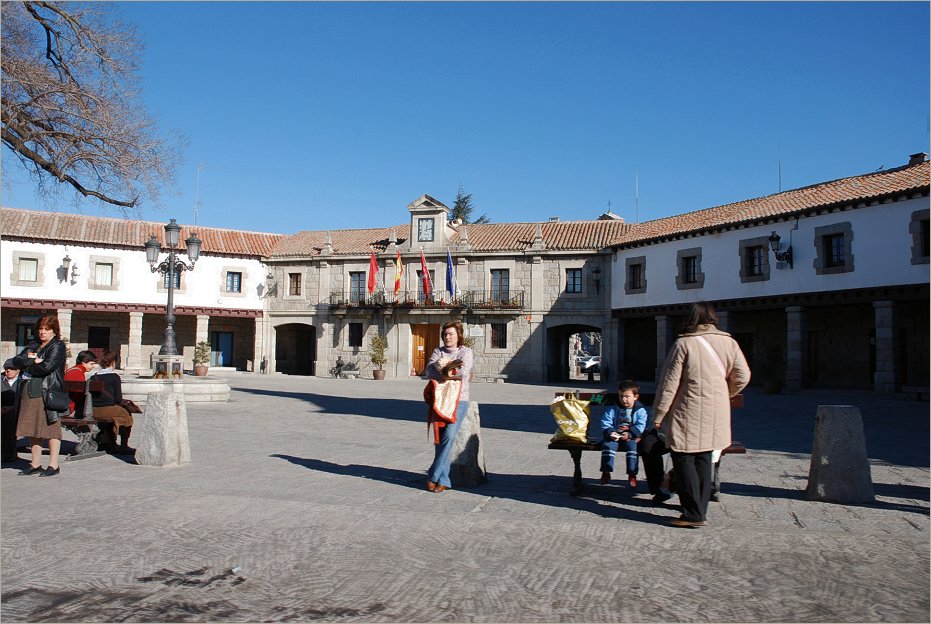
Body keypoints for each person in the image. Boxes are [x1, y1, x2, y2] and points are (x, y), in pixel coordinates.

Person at [652, 302, 751, 528]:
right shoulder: (730, 343)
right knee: (704, 457)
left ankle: (692, 514)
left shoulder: (684, 344)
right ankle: (699, 510)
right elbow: (743, 375)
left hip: (688, 409)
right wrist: (725, 392)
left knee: (684, 457)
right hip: (716, 410)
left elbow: (669, 384)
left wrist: (658, 415)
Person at [11, 315, 68, 476]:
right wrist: (32, 361)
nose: (42, 332)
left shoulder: (58, 345)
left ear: (54, 331)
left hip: (47, 391)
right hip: (29, 391)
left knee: (50, 428)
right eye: (41, 329)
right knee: (31, 428)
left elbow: (47, 367)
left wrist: (29, 365)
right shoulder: (34, 344)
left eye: (46, 329)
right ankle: (35, 463)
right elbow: (16, 360)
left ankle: (53, 465)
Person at [424, 320, 474, 493]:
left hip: (460, 400)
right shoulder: (438, 351)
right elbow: (429, 371)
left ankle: (433, 475)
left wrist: (442, 369)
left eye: (451, 334)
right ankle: (443, 479)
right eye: (445, 334)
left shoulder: (465, 352)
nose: (447, 337)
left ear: (458, 335)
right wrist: (448, 369)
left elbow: (463, 372)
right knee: (440, 439)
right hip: (440, 400)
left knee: (450, 435)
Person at [599, 379, 649, 488]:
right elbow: (606, 421)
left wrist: (630, 434)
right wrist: (610, 432)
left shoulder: (640, 410)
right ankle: (606, 471)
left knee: (633, 448)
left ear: (635, 397)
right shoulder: (613, 408)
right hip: (615, 435)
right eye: (621, 396)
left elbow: (641, 425)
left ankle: (632, 474)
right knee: (607, 446)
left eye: (627, 396)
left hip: (631, 436)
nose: (623, 399)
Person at [90, 350, 135, 454]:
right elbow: (118, 399)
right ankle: (124, 445)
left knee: (114, 417)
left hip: (94, 410)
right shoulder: (114, 377)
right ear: (113, 362)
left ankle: (111, 442)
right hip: (107, 409)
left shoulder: (94, 377)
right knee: (126, 415)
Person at [2, 359, 22, 463]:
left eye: (12, 368)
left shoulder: (23, 381)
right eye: (6, 368)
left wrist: (13, 407)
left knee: (10, 417)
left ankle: (8, 453)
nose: (8, 370)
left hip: (18, 410)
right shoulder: (1, 379)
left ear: (18, 370)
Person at [64, 350, 98, 415]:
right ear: (83, 363)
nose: (93, 366)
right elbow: (79, 396)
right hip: (71, 409)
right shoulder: (78, 373)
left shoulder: (71, 370)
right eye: (91, 364)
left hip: (65, 405)